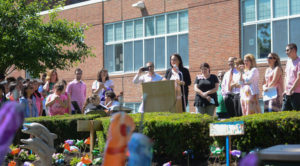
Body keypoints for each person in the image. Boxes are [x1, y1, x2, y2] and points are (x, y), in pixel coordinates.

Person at [283, 43, 300, 111]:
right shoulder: (288, 61)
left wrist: (292, 89)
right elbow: (285, 76)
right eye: (286, 50)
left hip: (296, 93)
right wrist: (285, 89)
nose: (286, 52)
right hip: (287, 92)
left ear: (293, 50)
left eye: (287, 50)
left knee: (297, 114)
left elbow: (299, 78)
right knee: (284, 113)